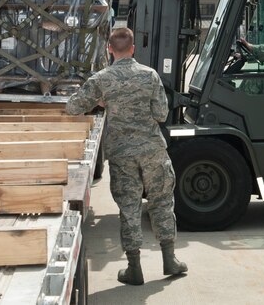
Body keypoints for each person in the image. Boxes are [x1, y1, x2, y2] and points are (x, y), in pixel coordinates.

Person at [66, 27, 187, 286]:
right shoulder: (150, 75)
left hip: (122, 155)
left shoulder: (102, 78)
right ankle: (170, 259)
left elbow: (73, 107)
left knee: (129, 208)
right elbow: (161, 115)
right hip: (153, 151)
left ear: (109, 50)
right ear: (133, 49)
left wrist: (102, 101)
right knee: (162, 202)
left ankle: (134, 268)